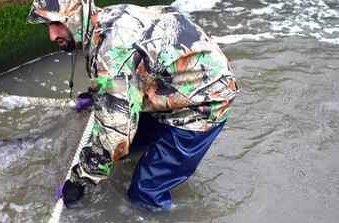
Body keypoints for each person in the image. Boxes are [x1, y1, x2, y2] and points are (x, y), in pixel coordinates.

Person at [28, 0, 237, 209]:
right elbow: (133, 67)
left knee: (144, 193)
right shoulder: (106, 18)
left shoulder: (111, 52)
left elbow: (115, 135)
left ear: (75, 17)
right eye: (48, 26)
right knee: (129, 147)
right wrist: (100, 92)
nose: (52, 35)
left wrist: (79, 180)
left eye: (57, 24)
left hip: (204, 102)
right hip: (174, 82)